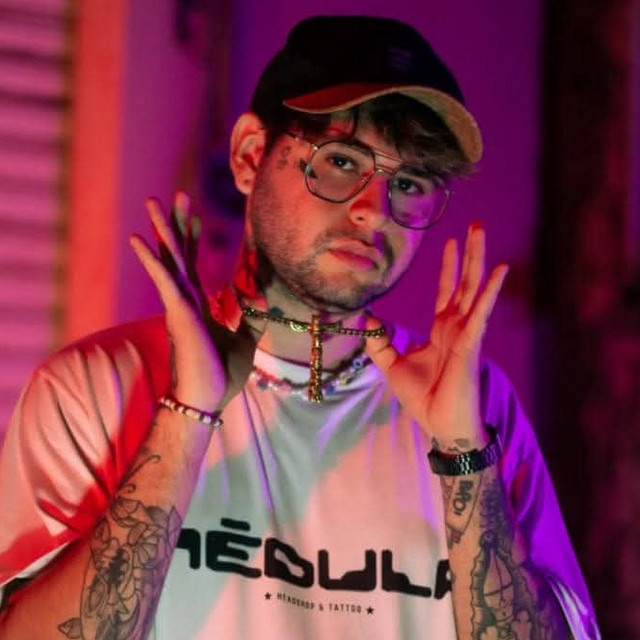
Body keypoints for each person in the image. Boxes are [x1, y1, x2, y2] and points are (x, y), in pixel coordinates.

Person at [0, 15, 600, 640]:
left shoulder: (476, 408)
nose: (374, 210)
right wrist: (186, 415)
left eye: (408, 182)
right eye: (340, 160)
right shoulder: (96, 388)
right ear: (250, 156)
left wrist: (463, 456)